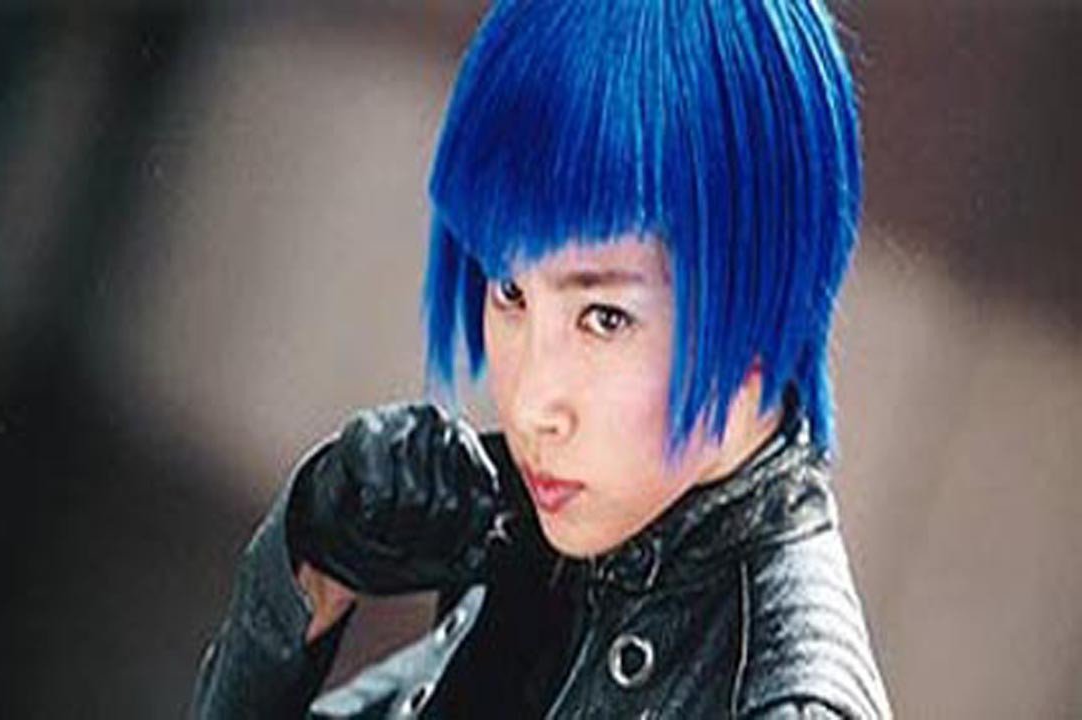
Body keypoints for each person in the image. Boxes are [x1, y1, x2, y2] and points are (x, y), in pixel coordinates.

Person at [191, 0, 891, 717]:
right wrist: (312, 572)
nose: (530, 406)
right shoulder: (552, 547)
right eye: (509, 290)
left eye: (604, 318)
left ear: (759, 306)